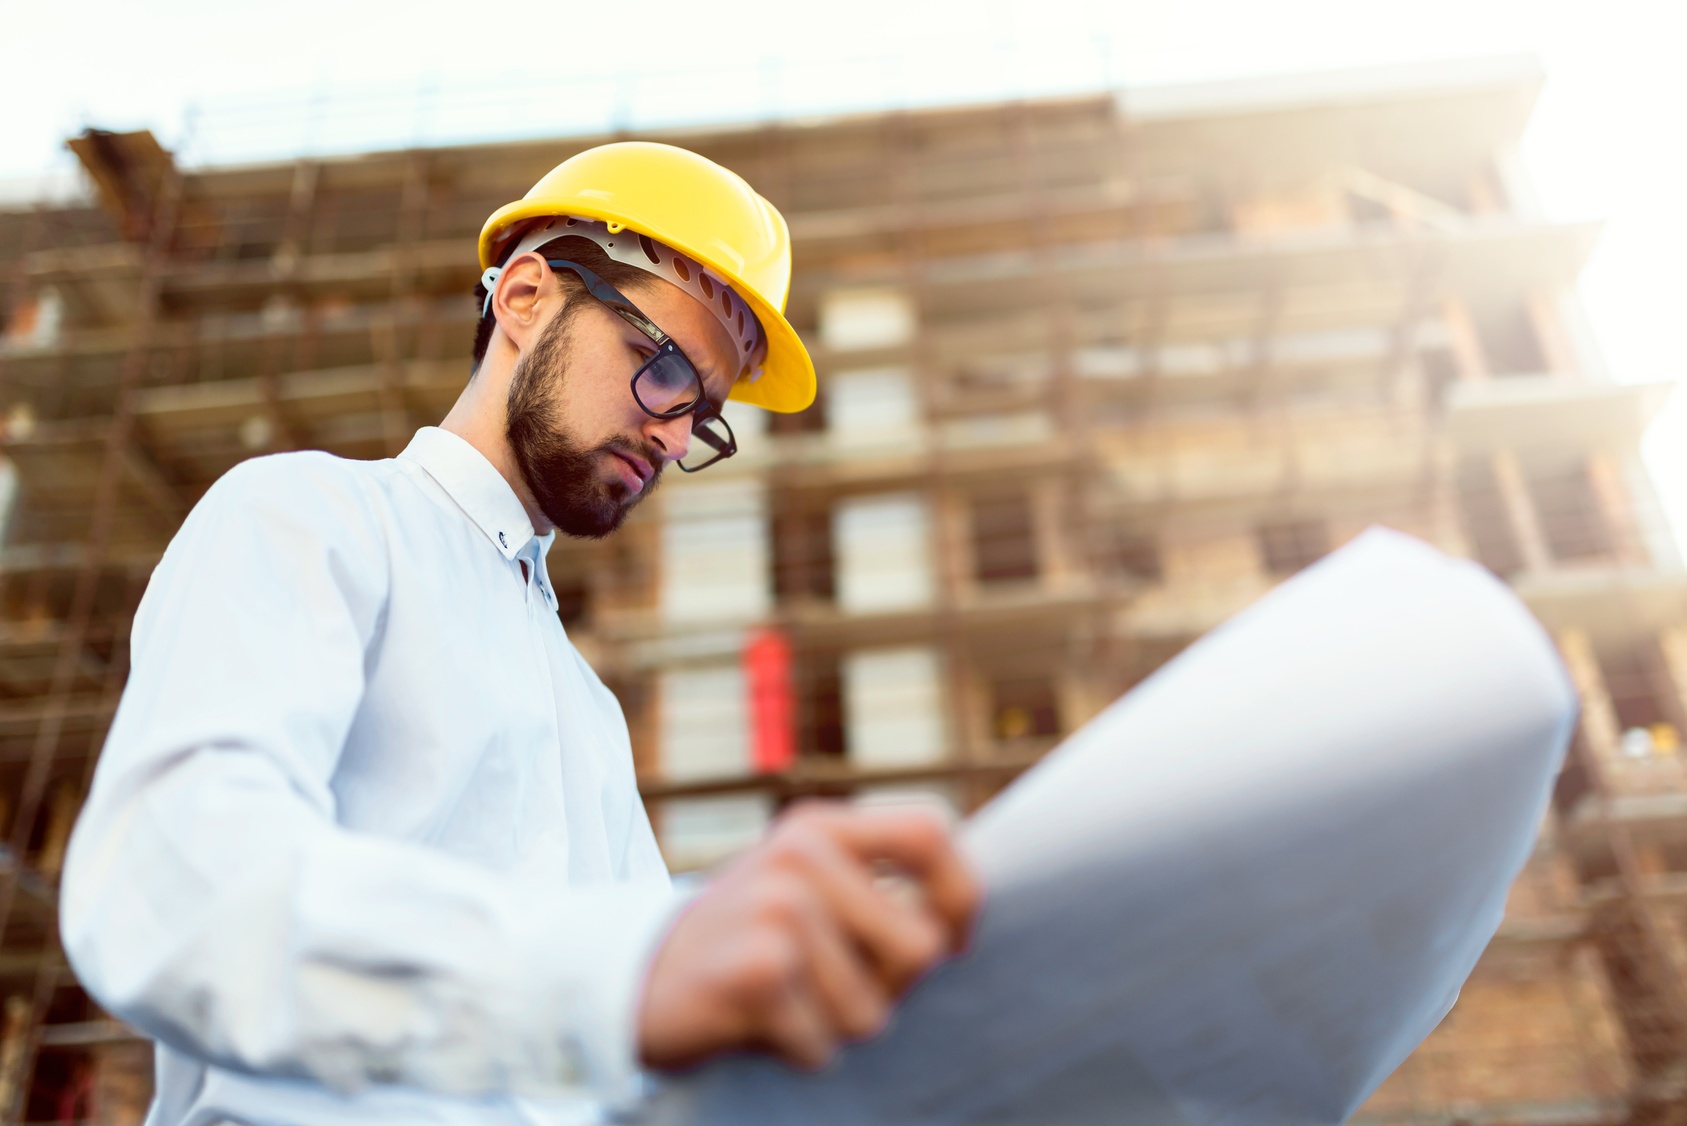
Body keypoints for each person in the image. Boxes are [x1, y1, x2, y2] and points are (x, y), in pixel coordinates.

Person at [59, 142, 980, 1125]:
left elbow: (623, 1065)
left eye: (701, 411)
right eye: (660, 364)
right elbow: (175, 884)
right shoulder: (308, 519)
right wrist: (627, 974)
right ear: (527, 297)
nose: (673, 434)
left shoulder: (586, 708)